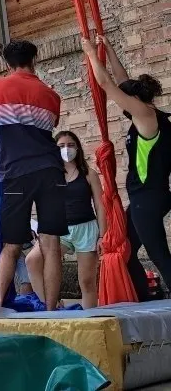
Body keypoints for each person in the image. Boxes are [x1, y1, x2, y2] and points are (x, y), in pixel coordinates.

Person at [0, 40, 67, 310]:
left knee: (10, 243)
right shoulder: (51, 95)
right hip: (50, 171)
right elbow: (53, 123)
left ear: (7, 63)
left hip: (15, 173)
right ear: (34, 60)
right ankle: (51, 307)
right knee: (51, 243)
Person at [82, 35, 171, 300]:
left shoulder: (146, 117)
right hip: (146, 198)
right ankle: (144, 300)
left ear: (136, 100)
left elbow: (108, 84)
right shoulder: (148, 114)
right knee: (127, 252)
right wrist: (108, 49)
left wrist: (89, 52)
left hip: (148, 198)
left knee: (159, 256)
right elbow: (121, 82)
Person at [26, 131, 107, 309]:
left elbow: (100, 206)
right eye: (61, 146)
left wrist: (103, 235)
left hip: (86, 229)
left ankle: (90, 321)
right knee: (32, 260)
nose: (66, 149)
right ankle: (52, 305)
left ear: (77, 148)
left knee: (87, 282)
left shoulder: (88, 174)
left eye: (70, 145)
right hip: (59, 231)